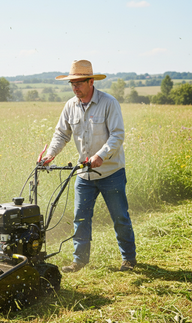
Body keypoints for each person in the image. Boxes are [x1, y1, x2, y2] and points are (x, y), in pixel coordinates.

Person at [42, 59, 136, 272]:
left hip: (111, 171)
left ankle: (128, 259)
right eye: (72, 84)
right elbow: (61, 134)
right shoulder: (70, 106)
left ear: (91, 81)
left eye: (79, 83)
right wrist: (50, 155)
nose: (75, 87)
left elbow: (117, 135)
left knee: (120, 216)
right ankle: (80, 261)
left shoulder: (108, 103)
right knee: (80, 218)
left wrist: (101, 155)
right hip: (84, 174)